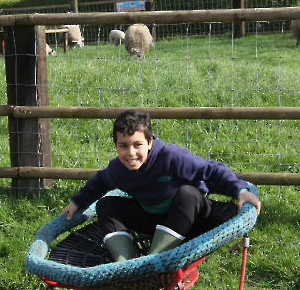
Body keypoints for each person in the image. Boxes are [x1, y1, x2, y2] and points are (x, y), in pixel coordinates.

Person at [60, 110, 261, 262]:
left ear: (149, 142)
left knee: (187, 193)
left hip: (192, 218)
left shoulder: (172, 158)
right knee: (105, 205)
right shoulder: (117, 170)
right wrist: (78, 202)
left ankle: (152, 262)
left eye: (137, 144)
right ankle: (127, 265)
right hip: (155, 220)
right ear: (116, 146)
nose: (131, 153)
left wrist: (240, 190)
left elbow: (212, 170)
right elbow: (100, 182)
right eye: (123, 146)